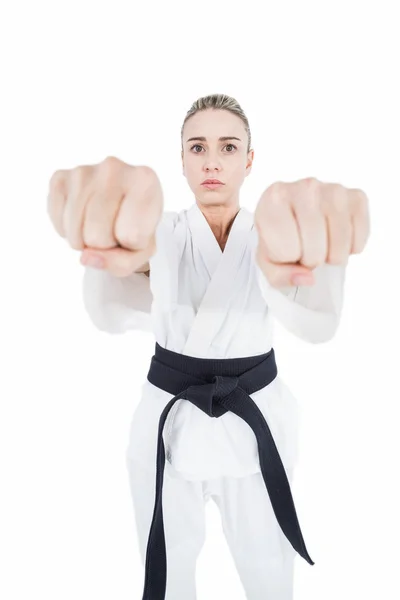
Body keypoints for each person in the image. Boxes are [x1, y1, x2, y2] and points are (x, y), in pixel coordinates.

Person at [47, 93, 370, 600]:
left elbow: (301, 296)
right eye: (197, 148)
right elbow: (145, 258)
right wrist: (119, 236)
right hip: (169, 430)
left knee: (270, 575)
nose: (212, 161)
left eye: (227, 146)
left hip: (255, 424)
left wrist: (317, 247)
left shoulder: (273, 235)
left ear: (249, 160)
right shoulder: (164, 233)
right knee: (169, 576)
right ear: (181, 160)